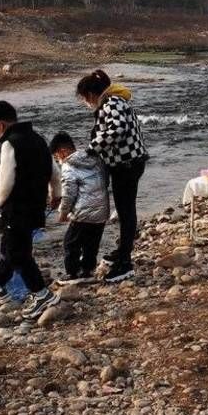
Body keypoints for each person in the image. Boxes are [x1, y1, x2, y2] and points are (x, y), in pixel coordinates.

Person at [0, 101, 61, 319]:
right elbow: (54, 171)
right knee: (11, 246)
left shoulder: (9, 144)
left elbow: (5, 181)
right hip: (35, 207)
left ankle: (41, 293)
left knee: (18, 253)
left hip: (15, 208)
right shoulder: (38, 138)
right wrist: (56, 193)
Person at [76, 70, 149, 283]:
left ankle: (125, 262)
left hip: (126, 165)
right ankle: (122, 250)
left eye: (84, 97)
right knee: (126, 211)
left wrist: (91, 148)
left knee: (126, 213)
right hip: (127, 164)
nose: (85, 102)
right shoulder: (114, 101)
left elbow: (117, 130)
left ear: (91, 93)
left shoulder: (112, 103)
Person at [50, 132, 110, 285]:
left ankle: (72, 273)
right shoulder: (93, 157)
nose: (58, 161)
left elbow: (69, 194)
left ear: (63, 152)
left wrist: (63, 213)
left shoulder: (68, 166)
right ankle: (88, 270)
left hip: (83, 214)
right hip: (102, 211)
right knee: (92, 243)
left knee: (70, 243)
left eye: (57, 157)